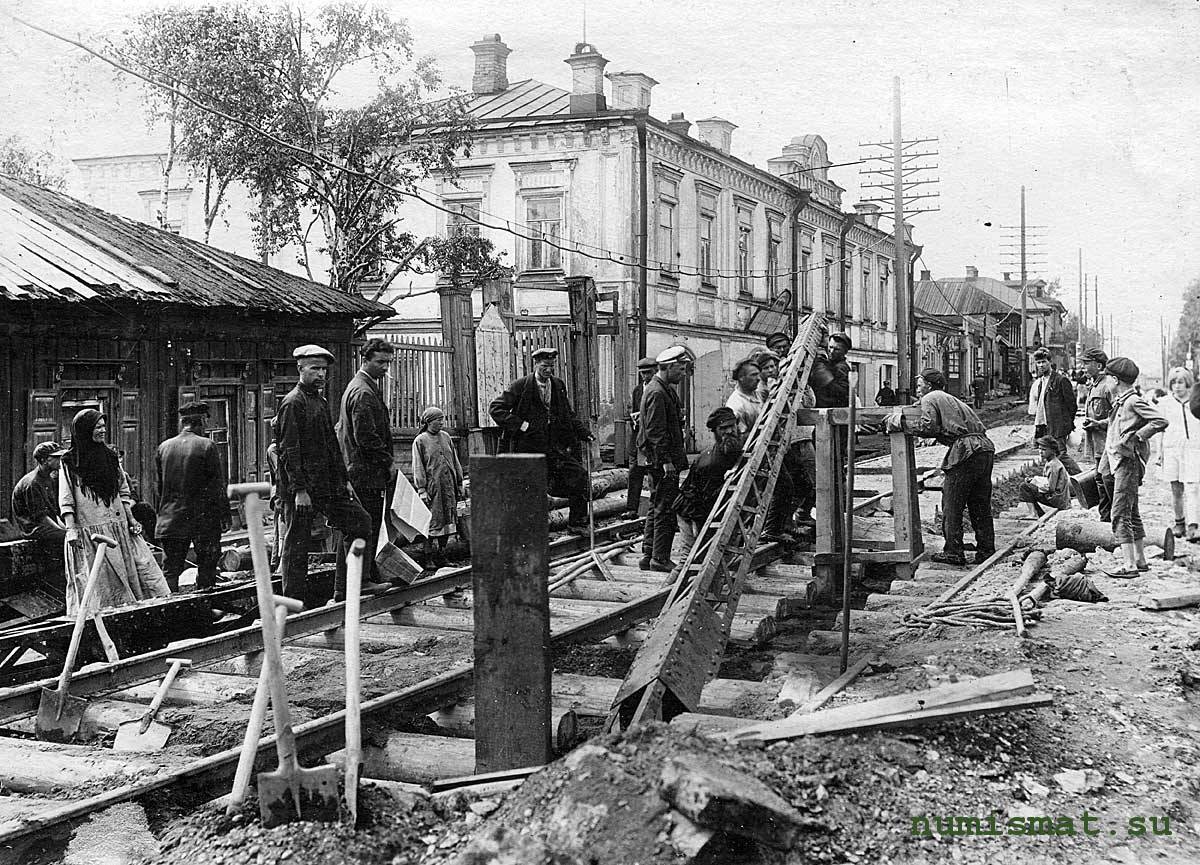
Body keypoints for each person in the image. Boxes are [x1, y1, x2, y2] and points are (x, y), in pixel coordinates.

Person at [276, 344, 381, 607]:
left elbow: (332, 445)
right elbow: (289, 450)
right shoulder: (293, 402)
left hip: (327, 485)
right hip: (302, 489)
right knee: (297, 546)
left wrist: (343, 480)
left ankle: (349, 587)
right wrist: (300, 490)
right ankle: (292, 604)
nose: (321, 374)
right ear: (300, 369)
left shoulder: (319, 401)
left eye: (323, 369)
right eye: (315, 368)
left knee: (360, 522)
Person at [59, 409, 170, 612]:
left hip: (119, 528)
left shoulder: (110, 456)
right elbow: (66, 500)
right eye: (97, 427)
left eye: (103, 426)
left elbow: (123, 491)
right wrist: (71, 529)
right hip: (91, 532)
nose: (102, 431)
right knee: (100, 585)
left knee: (143, 574)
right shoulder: (69, 462)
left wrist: (131, 519)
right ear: (84, 430)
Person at [885, 368, 995, 566]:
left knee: (951, 502)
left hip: (966, 450)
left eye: (919, 385)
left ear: (928, 385)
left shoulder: (931, 398)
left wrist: (900, 423)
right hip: (984, 448)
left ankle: (953, 552)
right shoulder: (948, 398)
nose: (917, 389)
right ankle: (986, 550)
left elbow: (928, 427)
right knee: (980, 503)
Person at [489, 346, 594, 535]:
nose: (548, 370)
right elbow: (496, 409)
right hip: (528, 449)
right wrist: (522, 426)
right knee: (530, 489)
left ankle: (577, 523)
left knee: (578, 476)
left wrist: (583, 432)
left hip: (554, 446)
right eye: (545, 366)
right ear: (536, 364)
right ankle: (530, 532)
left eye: (551, 366)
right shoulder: (520, 386)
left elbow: (568, 414)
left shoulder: (558, 385)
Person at [1097, 357, 1168, 577]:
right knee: (1132, 512)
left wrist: (1136, 437)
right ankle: (1140, 560)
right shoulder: (1121, 400)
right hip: (1118, 461)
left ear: (1115, 380)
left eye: (1107, 378)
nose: (1106, 382)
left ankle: (1128, 566)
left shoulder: (1132, 401)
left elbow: (1160, 421)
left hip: (1128, 462)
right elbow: (1119, 425)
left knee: (1119, 513)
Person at [155, 401, 230, 592]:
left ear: (183, 423)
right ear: (201, 422)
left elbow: (159, 488)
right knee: (207, 567)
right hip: (202, 520)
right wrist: (225, 515)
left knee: (170, 571)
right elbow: (217, 486)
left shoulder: (164, 447)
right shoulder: (207, 446)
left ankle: (169, 613)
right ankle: (205, 611)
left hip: (170, 519)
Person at [338, 337, 396, 584]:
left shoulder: (362, 386)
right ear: (366, 360)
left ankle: (363, 579)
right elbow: (366, 437)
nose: (385, 367)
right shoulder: (362, 392)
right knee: (363, 527)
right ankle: (358, 584)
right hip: (365, 472)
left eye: (388, 363)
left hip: (360, 470)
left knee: (362, 527)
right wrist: (388, 462)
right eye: (381, 362)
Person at [637, 345, 691, 571]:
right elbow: (655, 431)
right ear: (668, 367)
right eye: (680, 368)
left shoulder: (660, 387)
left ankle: (649, 553)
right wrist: (667, 460)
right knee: (665, 507)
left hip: (659, 459)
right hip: (661, 461)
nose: (683, 373)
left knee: (656, 504)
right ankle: (659, 558)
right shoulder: (657, 392)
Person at [673, 407, 743, 556]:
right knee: (691, 558)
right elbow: (703, 499)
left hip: (701, 505)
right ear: (715, 432)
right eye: (723, 429)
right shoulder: (710, 462)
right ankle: (673, 581)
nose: (729, 431)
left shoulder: (732, 447)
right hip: (690, 510)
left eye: (732, 426)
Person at [412, 406, 464, 570]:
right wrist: (422, 489)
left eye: (442, 419)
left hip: (449, 486)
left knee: (448, 521)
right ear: (428, 422)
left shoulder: (446, 437)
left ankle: (442, 554)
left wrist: (460, 483)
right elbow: (418, 466)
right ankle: (428, 557)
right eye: (438, 420)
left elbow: (455, 461)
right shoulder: (420, 440)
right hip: (433, 488)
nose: (441, 422)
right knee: (431, 523)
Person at [11, 441, 69, 587]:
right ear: (43, 460)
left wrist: (67, 529)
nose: (59, 460)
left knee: (70, 534)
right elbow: (41, 518)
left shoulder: (47, 478)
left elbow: (53, 512)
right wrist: (64, 532)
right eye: (55, 457)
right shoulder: (33, 483)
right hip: (33, 529)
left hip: (44, 525)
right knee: (67, 539)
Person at [1157, 367, 1200, 541]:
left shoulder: (1195, 401)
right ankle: (1179, 522)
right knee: (1176, 488)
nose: (1177, 386)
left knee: (1192, 486)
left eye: (1180, 382)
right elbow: (1159, 428)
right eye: (1174, 382)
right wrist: (1160, 452)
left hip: (1192, 448)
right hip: (1171, 448)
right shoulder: (1165, 403)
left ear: (1187, 382)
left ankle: (1193, 526)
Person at [1027, 348, 1082, 475]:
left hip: (1057, 426)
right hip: (1043, 426)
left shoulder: (1060, 380)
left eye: (1044, 362)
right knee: (1047, 457)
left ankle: (1082, 480)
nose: (1041, 365)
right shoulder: (1040, 383)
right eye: (1038, 362)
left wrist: (1066, 425)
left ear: (1050, 362)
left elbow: (1072, 405)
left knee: (1061, 455)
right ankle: (1056, 485)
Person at [1080, 348, 1115, 520]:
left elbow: (1120, 418)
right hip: (1097, 444)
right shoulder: (1094, 385)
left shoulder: (1108, 386)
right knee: (1100, 480)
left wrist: (1099, 423)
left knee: (1106, 480)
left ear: (1099, 365)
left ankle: (1114, 517)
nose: (1083, 367)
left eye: (1086, 363)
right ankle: (1105, 518)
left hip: (1109, 445)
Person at [623, 357, 658, 518]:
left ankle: (655, 509)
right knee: (634, 472)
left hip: (653, 441)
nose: (646, 377)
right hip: (638, 439)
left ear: (656, 371)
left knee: (654, 475)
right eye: (643, 373)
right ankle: (632, 509)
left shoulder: (660, 389)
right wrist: (634, 420)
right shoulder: (638, 390)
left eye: (649, 373)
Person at [1016, 436, 1072, 518]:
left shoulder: (1053, 465)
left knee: (1025, 487)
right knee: (1030, 487)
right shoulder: (1052, 462)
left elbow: (1050, 488)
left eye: (1044, 450)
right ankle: (1038, 513)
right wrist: (1035, 481)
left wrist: (1035, 483)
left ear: (1053, 451)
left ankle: (1033, 514)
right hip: (1060, 498)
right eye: (1040, 449)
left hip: (1058, 500)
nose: (1040, 452)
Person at [810, 332, 852, 408]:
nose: (831, 351)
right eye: (831, 347)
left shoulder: (842, 367)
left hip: (833, 411)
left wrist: (819, 361)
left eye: (837, 349)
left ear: (845, 351)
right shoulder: (830, 363)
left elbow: (838, 391)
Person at [725, 358, 763, 435]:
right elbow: (741, 437)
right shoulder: (736, 405)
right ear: (741, 377)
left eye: (758, 374)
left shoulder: (757, 393)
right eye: (753, 375)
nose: (758, 378)